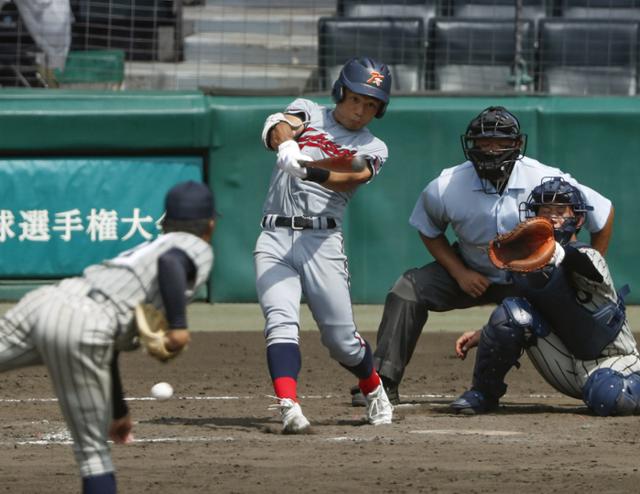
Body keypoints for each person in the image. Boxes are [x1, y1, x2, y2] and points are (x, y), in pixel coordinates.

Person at [351, 106, 615, 406]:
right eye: (483, 142)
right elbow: (428, 228)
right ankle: (382, 383)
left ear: (517, 144)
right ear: (471, 145)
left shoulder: (545, 178)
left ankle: (599, 376)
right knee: (406, 290)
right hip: (469, 268)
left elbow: (603, 213)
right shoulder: (447, 185)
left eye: (500, 141)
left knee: (562, 313)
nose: (491, 150)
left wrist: (584, 269)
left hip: (531, 276)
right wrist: (458, 273)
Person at [0, 180, 216, 493]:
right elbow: (171, 263)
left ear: (165, 222)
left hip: (47, 300)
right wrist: (179, 327)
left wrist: (118, 410)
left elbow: (108, 346)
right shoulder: (195, 246)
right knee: (93, 456)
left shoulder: (150, 246)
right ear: (210, 225)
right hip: (84, 321)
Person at [255, 56, 394, 433]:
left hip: (322, 240)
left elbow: (354, 173)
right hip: (274, 237)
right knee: (280, 321)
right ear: (340, 92)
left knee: (341, 340)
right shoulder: (309, 112)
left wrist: (309, 170)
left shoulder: (374, 145)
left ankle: (373, 386)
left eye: (371, 105)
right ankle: (289, 405)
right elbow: (280, 126)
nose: (361, 110)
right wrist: (286, 148)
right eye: (355, 99)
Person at [450, 177, 640, 416]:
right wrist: (484, 333)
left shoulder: (588, 255)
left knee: (610, 397)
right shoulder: (528, 265)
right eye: (545, 210)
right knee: (511, 313)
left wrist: (554, 250)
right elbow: (527, 307)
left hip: (614, 361)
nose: (551, 217)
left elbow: (582, 266)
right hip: (566, 363)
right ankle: (483, 393)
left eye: (560, 211)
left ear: (579, 219)